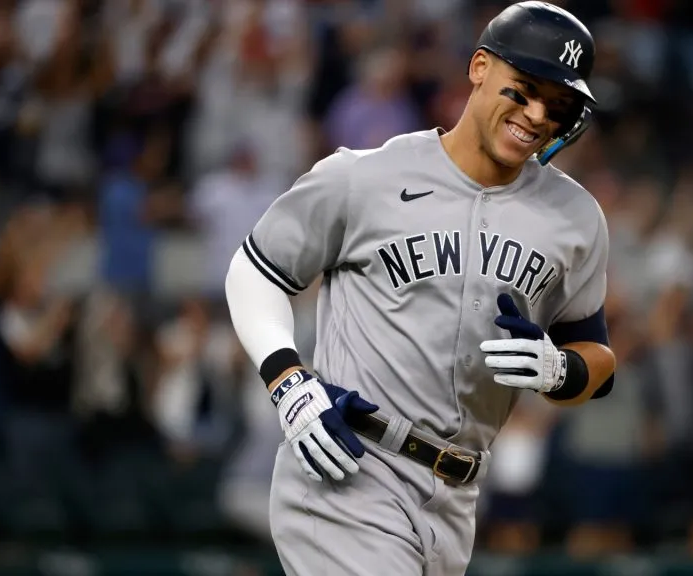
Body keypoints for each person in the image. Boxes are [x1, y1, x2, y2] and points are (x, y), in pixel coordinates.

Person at [224, 3, 615, 575]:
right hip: (351, 468)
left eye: (556, 106)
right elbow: (255, 270)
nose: (535, 115)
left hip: (457, 497)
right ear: (479, 67)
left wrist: (560, 370)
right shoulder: (366, 176)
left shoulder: (576, 217)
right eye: (523, 90)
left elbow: (597, 357)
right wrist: (288, 381)